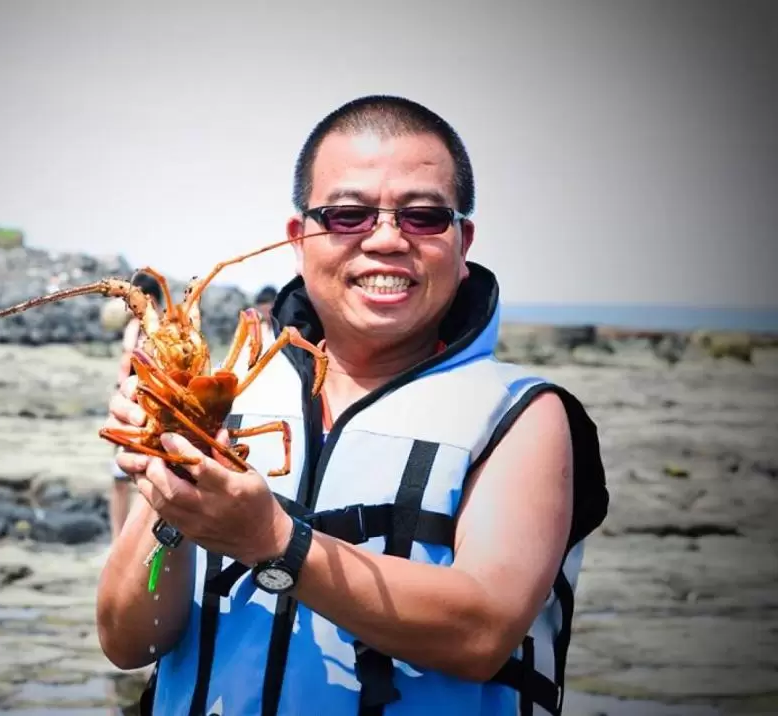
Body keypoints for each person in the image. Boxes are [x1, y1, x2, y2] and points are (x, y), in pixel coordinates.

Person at [95, 95, 609, 715]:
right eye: (347, 215)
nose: (387, 239)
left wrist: (274, 541)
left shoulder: (523, 417)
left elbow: (481, 634)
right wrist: (166, 487)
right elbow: (127, 641)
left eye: (423, 217)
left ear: (462, 241)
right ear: (299, 238)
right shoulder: (234, 393)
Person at [107, 270, 164, 541]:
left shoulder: (156, 329)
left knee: (139, 478)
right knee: (123, 476)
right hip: (133, 406)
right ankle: (121, 537)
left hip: (147, 409)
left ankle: (129, 538)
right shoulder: (135, 326)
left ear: (148, 297)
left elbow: (126, 363)